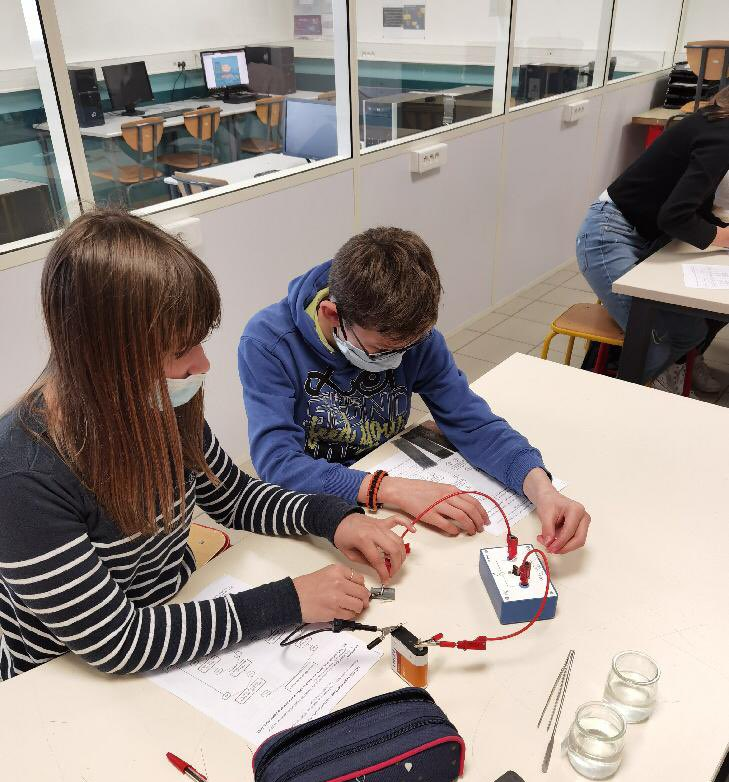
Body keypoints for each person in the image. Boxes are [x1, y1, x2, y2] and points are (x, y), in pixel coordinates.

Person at [0, 211, 410, 682]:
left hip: (170, 609)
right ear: (105, 358)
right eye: (180, 351)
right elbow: (116, 642)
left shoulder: (156, 405)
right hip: (57, 673)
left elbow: (234, 498)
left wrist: (334, 519)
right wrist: (290, 600)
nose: (203, 363)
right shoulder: (22, 474)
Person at [239, 227, 590, 553]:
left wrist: (542, 490)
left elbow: (473, 424)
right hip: (317, 507)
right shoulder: (269, 344)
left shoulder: (415, 339)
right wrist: (389, 489)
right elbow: (278, 464)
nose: (399, 358)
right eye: (383, 349)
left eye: (409, 346)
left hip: (391, 483)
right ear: (333, 315)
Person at [576, 86, 729, 395]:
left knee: (691, 331)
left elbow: (693, 203)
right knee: (653, 343)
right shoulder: (721, 134)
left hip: (640, 233)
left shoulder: (715, 124)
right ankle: (614, 407)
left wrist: (718, 228)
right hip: (607, 235)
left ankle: (648, 390)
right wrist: (722, 236)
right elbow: (674, 216)